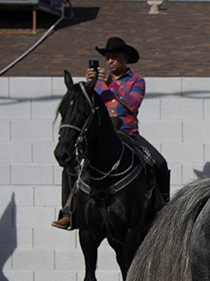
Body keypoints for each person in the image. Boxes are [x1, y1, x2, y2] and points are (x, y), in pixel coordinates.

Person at [53, 37, 168, 229]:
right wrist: (90, 86)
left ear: (125, 58)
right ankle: (68, 211)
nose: (110, 61)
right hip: (101, 138)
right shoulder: (96, 85)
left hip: (128, 134)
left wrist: (110, 84)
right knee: (71, 166)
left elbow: (133, 104)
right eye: (107, 58)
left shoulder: (136, 81)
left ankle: (164, 211)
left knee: (159, 162)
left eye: (114, 57)